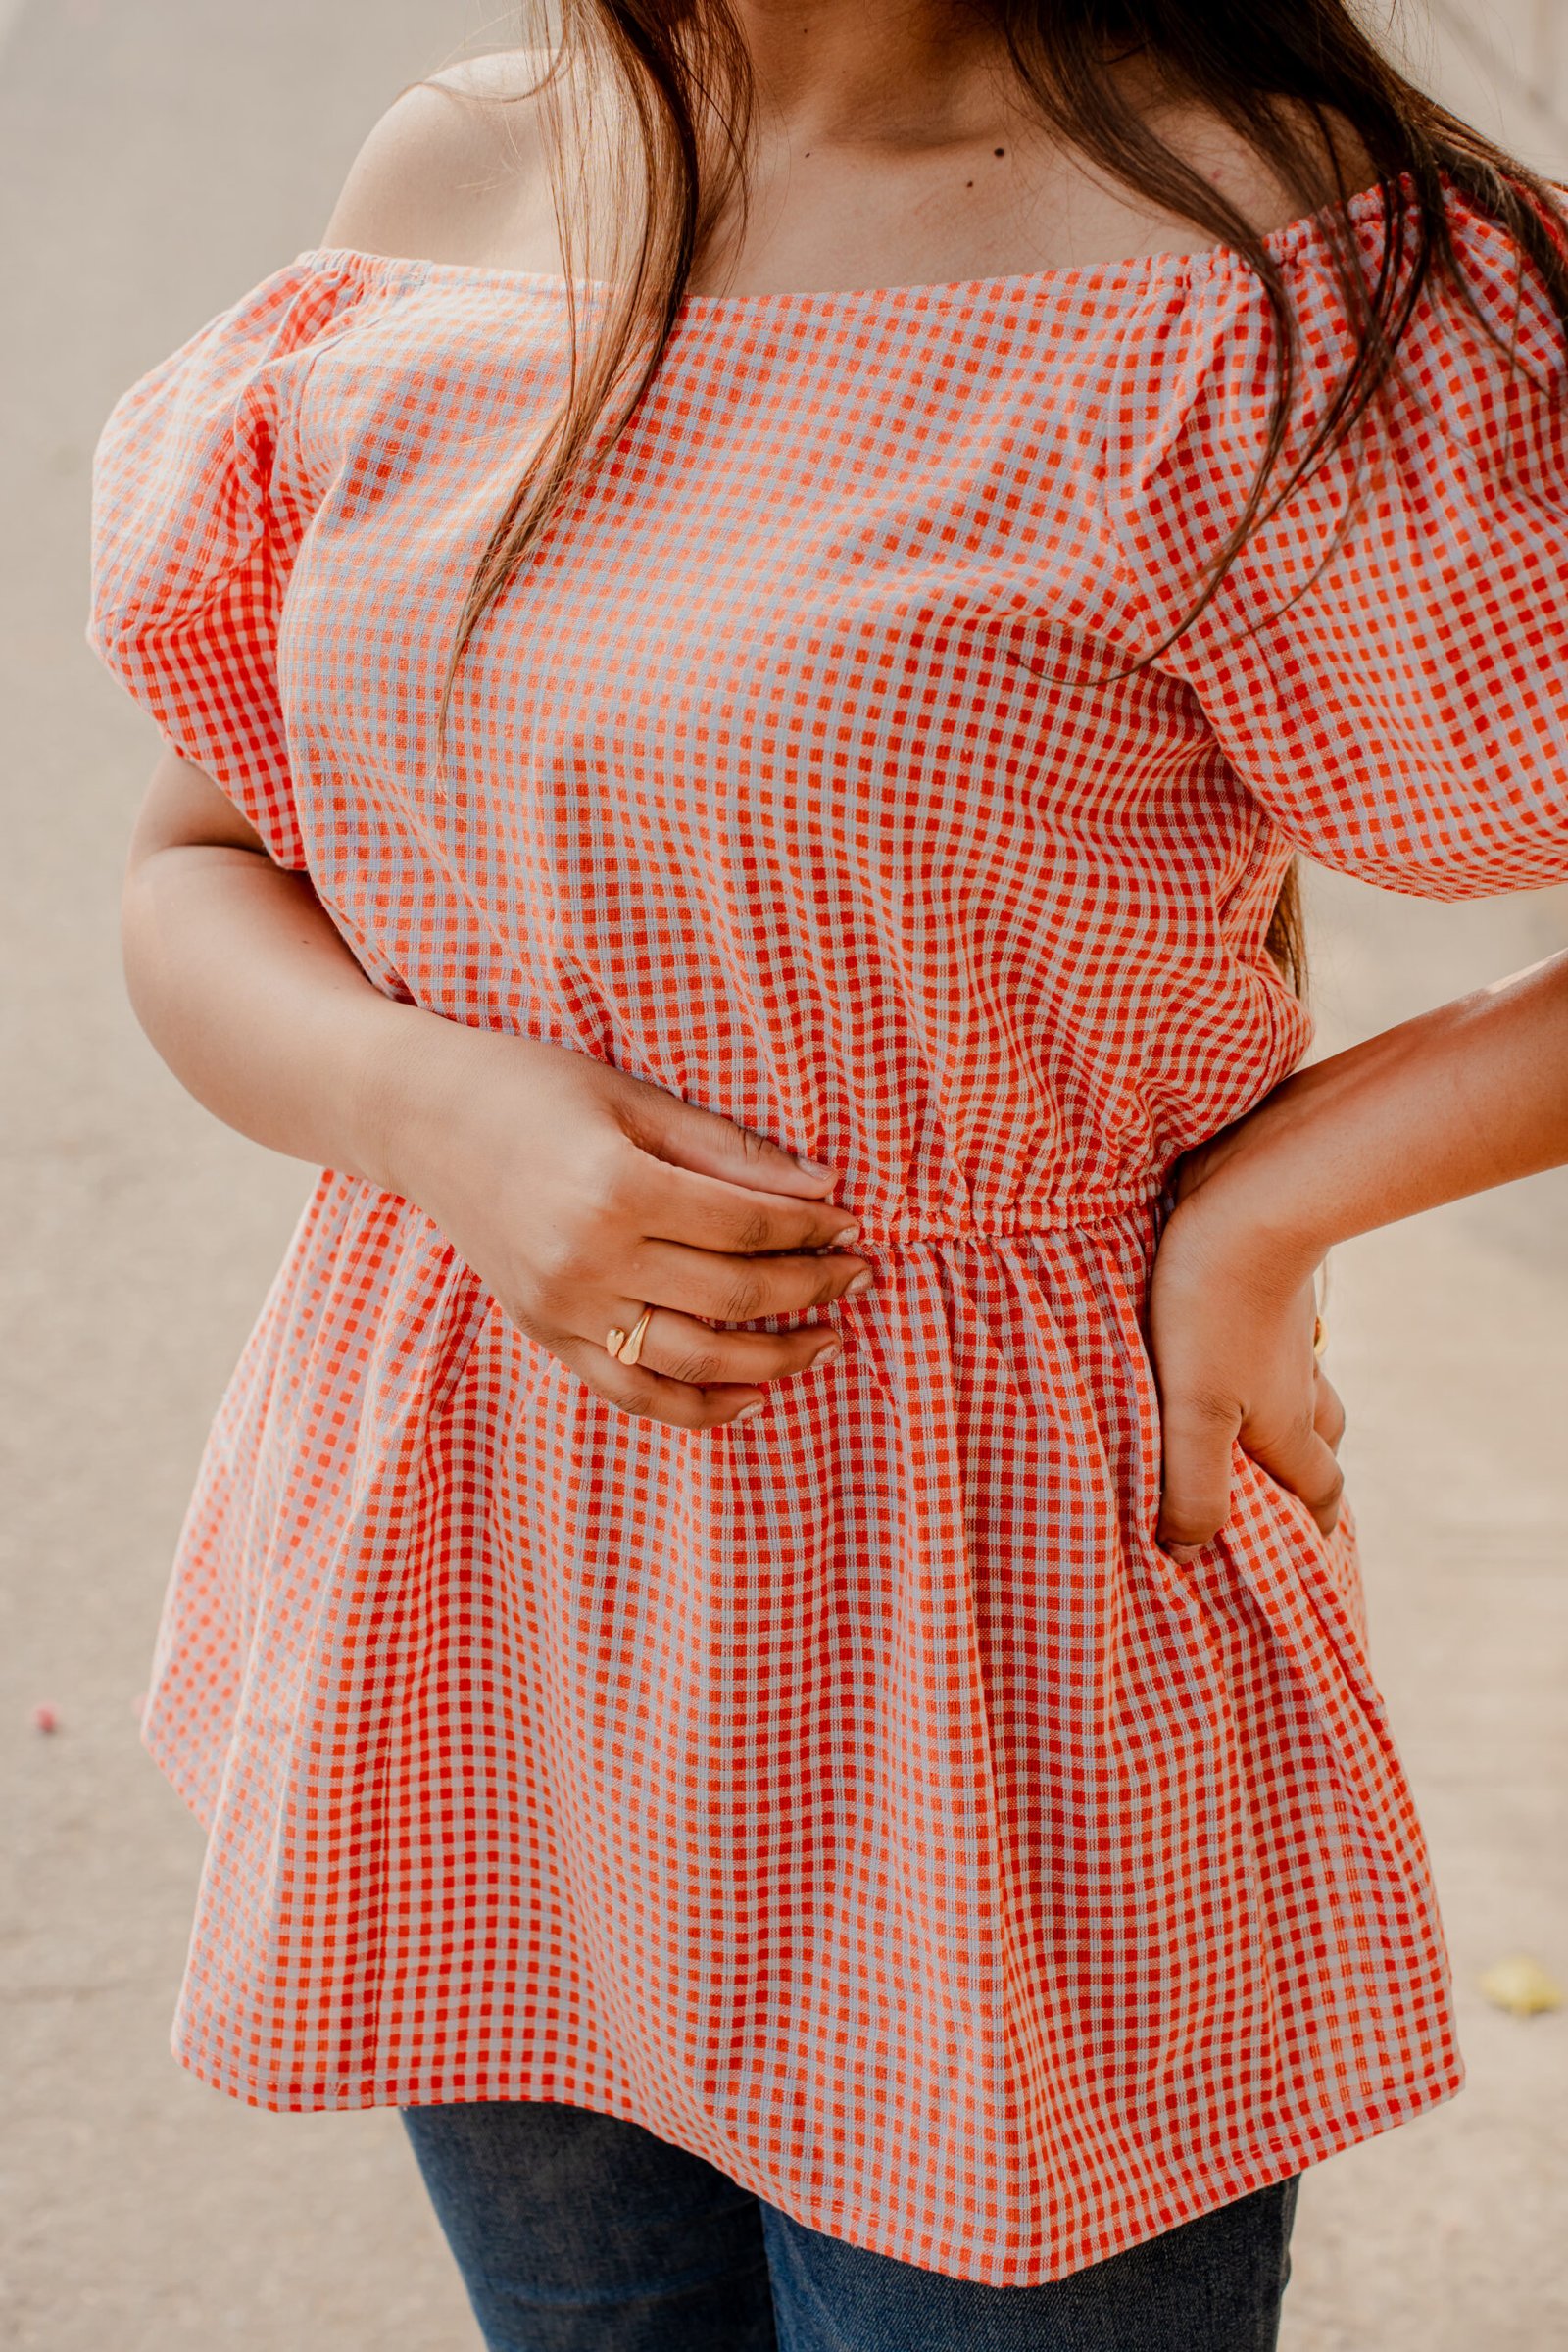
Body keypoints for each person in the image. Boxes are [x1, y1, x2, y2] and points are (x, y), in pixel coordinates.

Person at [84, 1, 1568, 2345]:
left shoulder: (1264, 266)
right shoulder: (470, 181)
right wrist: (430, 1109)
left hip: (997, 1654)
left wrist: (1267, 1204)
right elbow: (191, 859)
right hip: (478, 1614)